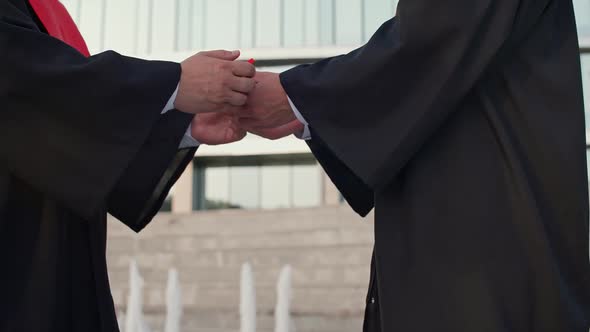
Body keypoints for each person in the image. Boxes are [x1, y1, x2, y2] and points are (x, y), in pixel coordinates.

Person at [240, 0, 590, 330]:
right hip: (476, 232)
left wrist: (298, 97)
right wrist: (304, 109)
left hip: (484, 246)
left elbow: (436, 33)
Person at [0, 0, 255, 331]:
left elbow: (68, 124)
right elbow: (21, 77)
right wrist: (172, 84)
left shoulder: (43, 10)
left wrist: (181, 125)